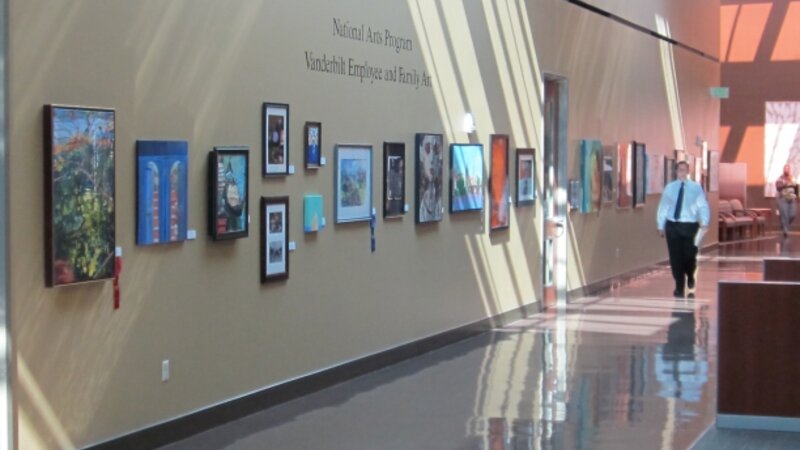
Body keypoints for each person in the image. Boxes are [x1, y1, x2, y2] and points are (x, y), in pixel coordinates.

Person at [657, 161, 710, 298]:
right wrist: (660, 225)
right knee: (675, 258)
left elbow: (703, 205)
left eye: (684, 170)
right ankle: (679, 286)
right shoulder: (670, 188)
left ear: (688, 171)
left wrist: (705, 222)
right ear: (676, 171)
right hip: (673, 226)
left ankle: (690, 275)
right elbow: (663, 207)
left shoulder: (695, 188)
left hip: (690, 226)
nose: (682, 172)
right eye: (680, 169)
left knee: (689, 255)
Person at [775, 164, 797, 238]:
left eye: (788, 169)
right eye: (785, 169)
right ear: (783, 170)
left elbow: (796, 187)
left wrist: (796, 195)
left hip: (792, 199)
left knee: (792, 215)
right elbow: (778, 187)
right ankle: (785, 231)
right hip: (783, 199)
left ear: (789, 170)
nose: (786, 170)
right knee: (785, 215)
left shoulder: (793, 178)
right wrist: (785, 184)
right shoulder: (780, 178)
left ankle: (784, 225)